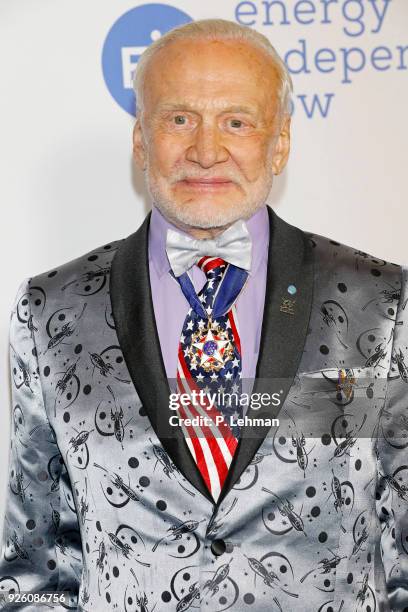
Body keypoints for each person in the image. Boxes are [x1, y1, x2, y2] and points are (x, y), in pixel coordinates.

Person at [0, 17, 407, 612]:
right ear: (141, 138)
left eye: (237, 122)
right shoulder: (51, 311)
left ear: (281, 141)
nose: (206, 151)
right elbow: (34, 573)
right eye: (180, 118)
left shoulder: (379, 304)